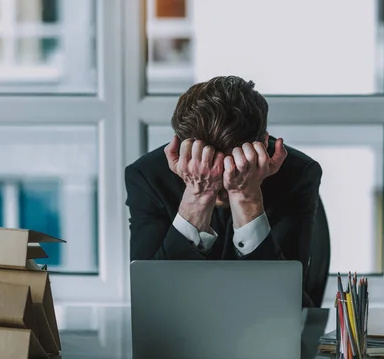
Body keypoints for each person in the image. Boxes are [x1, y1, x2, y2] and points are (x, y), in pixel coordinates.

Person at [124, 76, 322, 307]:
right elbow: (150, 299)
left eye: (233, 166)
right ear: (180, 148)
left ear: (264, 144)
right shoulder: (147, 176)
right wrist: (197, 196)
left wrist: (246, 197)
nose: (221, 180)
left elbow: (285, 302)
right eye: (206, 166)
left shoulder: (298, 173)